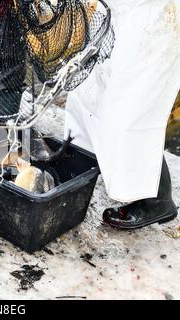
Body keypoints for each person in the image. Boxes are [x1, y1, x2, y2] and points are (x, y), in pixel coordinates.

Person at [64, 0, 180, 229]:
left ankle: (157, 199)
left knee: (130, 107)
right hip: (119, 12)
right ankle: (81, 166)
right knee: (88, 92)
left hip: (152, 19)